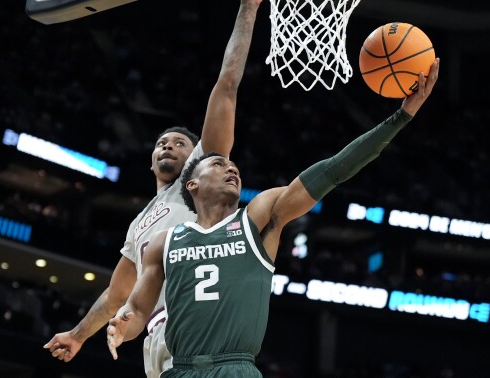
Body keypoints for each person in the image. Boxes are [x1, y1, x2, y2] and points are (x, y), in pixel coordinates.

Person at [106, 58, 441, 377]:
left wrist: (400, 117)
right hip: (177, 370)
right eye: (219, 164)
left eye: (233, 166)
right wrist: (122, 325)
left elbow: (334, 170)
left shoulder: (257, 219)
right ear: (191, 183)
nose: (231, 169)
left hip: (234, 367)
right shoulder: (165, 242)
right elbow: (136, 307)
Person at [43, 1, 263, 377]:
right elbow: (117, 295)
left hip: (202, 326)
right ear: (150, 160)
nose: (168, 146)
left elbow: (226, 85)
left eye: (180, 143)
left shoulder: (194, 186)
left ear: (195, 160)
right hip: (157, 340)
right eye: (162, 143)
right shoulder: (140, 223)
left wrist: (249, 8)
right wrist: (79, 336)